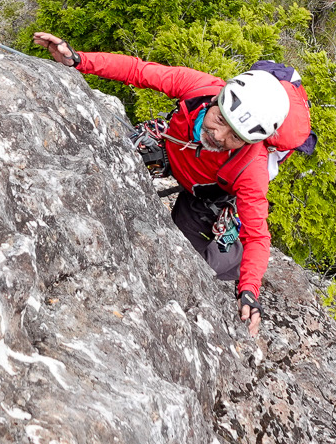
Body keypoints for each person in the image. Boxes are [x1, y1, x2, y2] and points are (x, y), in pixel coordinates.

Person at [31, 31, 309, 337]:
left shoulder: (250, 168)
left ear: (250, 141)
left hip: (206, 195)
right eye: (220, 119)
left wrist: (249, 290)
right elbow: (138, 71)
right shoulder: (200, 87)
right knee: (106, 160)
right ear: (217, 99)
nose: (219, 136)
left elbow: (258, 236)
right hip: (171, 148)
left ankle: (228, 253)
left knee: (200, 267)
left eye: (234, 136)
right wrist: (78, 59)